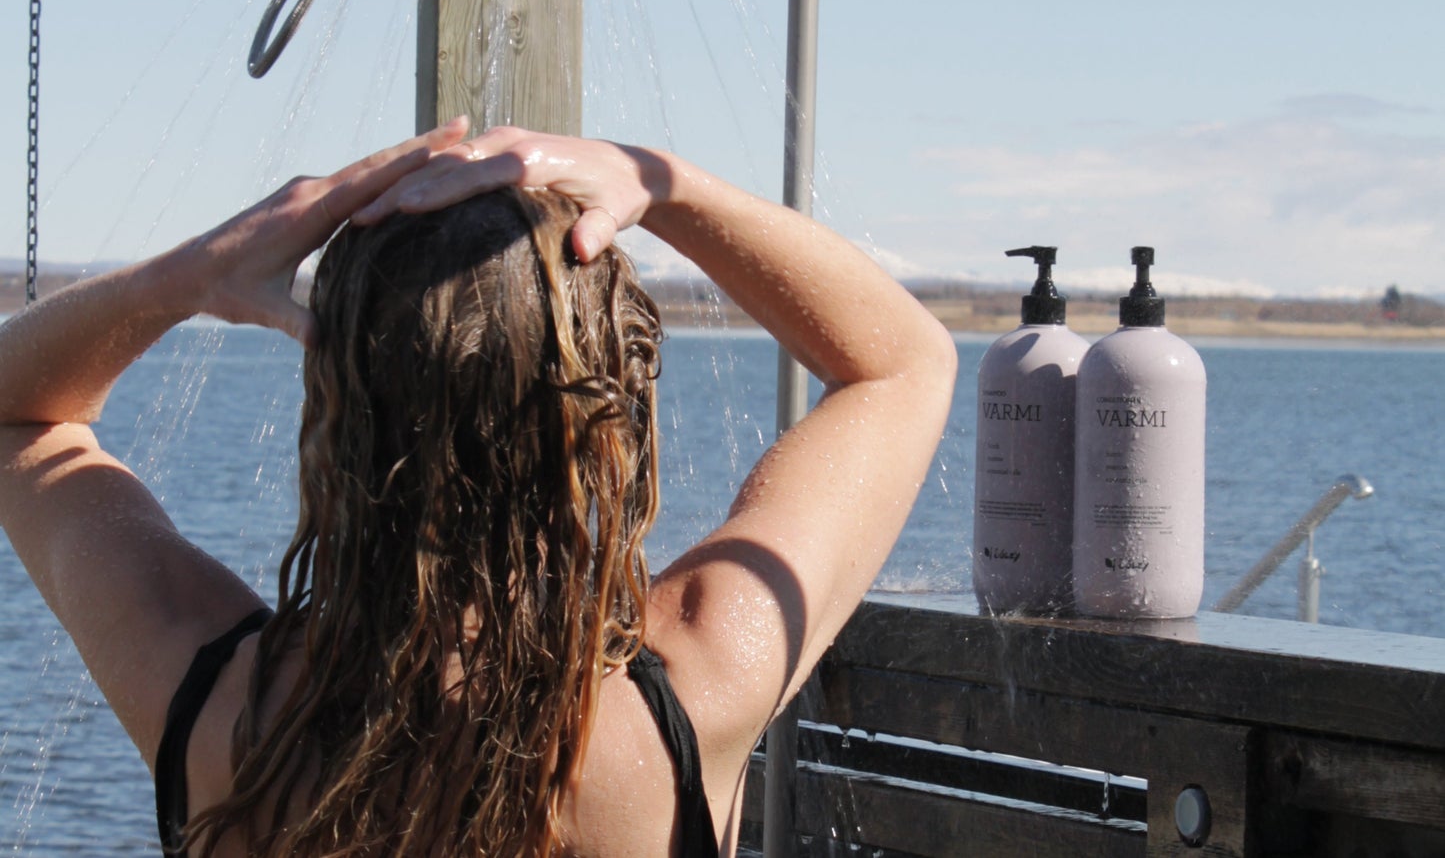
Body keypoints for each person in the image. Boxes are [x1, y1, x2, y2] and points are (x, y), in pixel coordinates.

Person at [0, 124, 957, 857]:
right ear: (600, 420)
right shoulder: (690, 692)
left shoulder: (216, 702)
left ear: (337, 408)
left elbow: (17, 414)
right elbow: (902, 364)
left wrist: (189, 275)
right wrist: (658, 180)